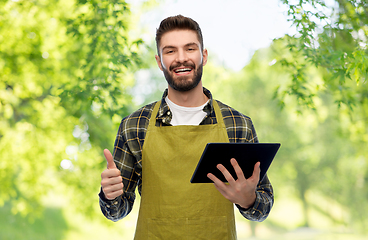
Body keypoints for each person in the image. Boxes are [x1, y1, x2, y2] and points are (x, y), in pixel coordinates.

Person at [99, 15, 274, 239]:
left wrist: (249, 200)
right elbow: (117, 212)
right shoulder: (134, 126)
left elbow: (263, 207)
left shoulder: (237, 125)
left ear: (204, 56)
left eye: (190, 49)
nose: (181, 58)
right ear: (159, 61)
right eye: (170, 51)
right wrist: (110, 196)